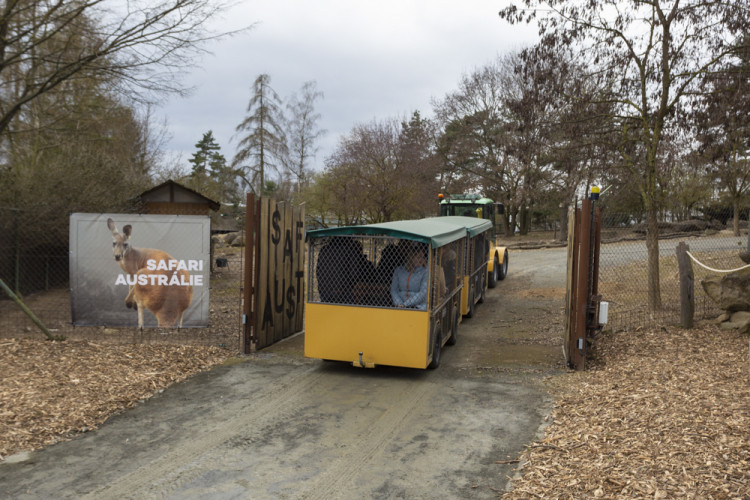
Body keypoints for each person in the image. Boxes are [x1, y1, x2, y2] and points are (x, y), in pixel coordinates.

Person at [390, 245, 429, 310]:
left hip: (417, 306)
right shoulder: (399, 270)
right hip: (399, 305)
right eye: (419, 257)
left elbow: (423, 293)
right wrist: (399, 303)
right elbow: (394, 290)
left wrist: (405, 304)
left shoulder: (425, 272)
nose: (421, 259)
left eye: (423, 257)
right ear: (411, 257)